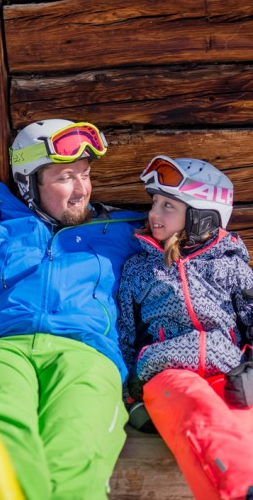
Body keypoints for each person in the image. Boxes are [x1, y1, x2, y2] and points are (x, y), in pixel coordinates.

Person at [0, 119, 145, 500]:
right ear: (29, 184)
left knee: (76, 447)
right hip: (1, 351)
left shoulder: (124, 234)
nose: (81, 189)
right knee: (1, 425)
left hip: (86, 356)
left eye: (85, 174)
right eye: (66, 177)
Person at [117, 155, 253, 500]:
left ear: (200, 217)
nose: (153, 214)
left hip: (229, 370)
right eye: (154, 203)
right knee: (200, 415)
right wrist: (129, 395)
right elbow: (124, 334)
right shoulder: (140, 269)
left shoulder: (231, 266)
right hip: (169, 372)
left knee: (242, 425)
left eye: (168, 206)